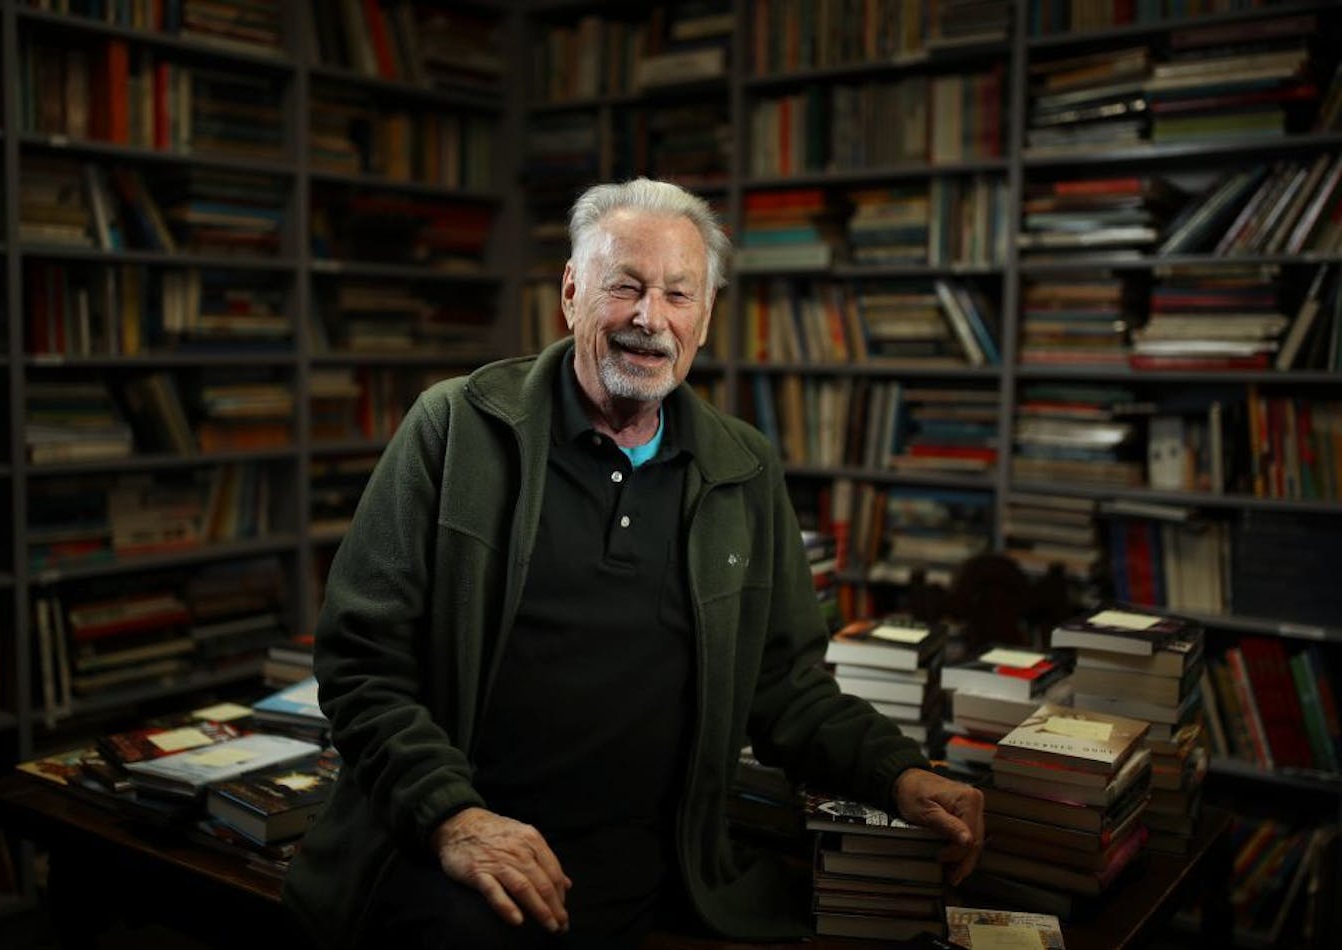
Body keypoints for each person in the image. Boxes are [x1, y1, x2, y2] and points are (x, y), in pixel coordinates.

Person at [281, 178, 984, 949]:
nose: (650, 319)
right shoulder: (456, 429)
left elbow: (785, 687)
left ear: (706, 318)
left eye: (679, 294)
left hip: (667, 867)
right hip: (460, 852)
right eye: (626, 287)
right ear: (573, 292)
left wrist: (898, 773)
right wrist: (454, 816)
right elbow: (360, 662)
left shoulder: (741, 468)